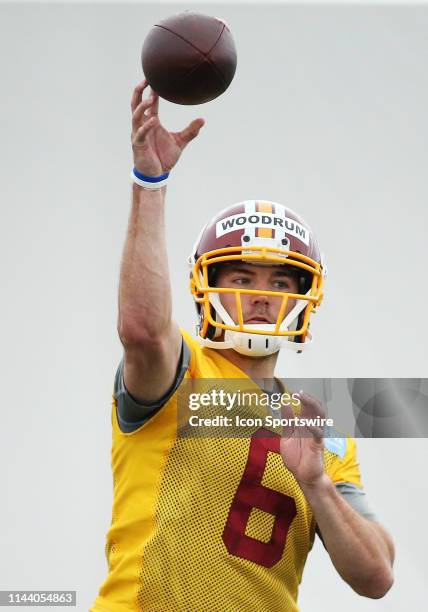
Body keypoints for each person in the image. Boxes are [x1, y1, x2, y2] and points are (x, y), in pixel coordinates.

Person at [91, 81, 394, 612]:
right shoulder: (182, 372)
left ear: (304, 297)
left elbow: (376, 576)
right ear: (207, 286)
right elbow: (140, 329)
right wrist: (150, 182)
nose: (261, 295)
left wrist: (318, 484)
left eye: (280, 283)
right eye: (243, 277)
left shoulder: (322, 427)